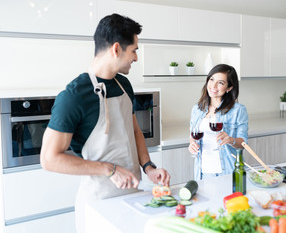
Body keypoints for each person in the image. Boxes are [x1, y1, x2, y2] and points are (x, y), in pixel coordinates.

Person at [40, 13, 170, 232]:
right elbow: (49, 159)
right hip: (98, 201)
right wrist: (110, 170)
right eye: (134, 50)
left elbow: (134, 131)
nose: (136, 58)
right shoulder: (74, 95)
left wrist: (148, 167)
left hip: (134, 195)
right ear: (116, 49)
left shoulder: (125, 85)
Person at [188, 64, 248, 180]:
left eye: (220, 83)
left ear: (229, 88)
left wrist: (231, 140)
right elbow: (192, 135)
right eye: (212, 80)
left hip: (228, 172)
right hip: (202, 172)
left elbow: (243, 142)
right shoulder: (197, 109)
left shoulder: (238, 110)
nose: (213, 86)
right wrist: (192, 145)